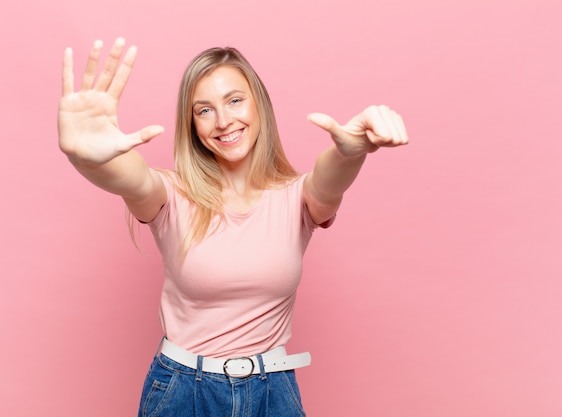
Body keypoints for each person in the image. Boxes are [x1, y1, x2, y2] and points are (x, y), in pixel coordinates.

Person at [58, 37, 408, 417]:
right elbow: (130, 177)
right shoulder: (171, 194)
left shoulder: (297, 198)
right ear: (192, 125)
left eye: (235, 100)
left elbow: (328, 178)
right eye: (204, 110)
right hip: (181, 392)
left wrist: (349, 151)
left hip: (272, 391)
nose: (223, 121)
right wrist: (84, 156)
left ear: (259, 104)